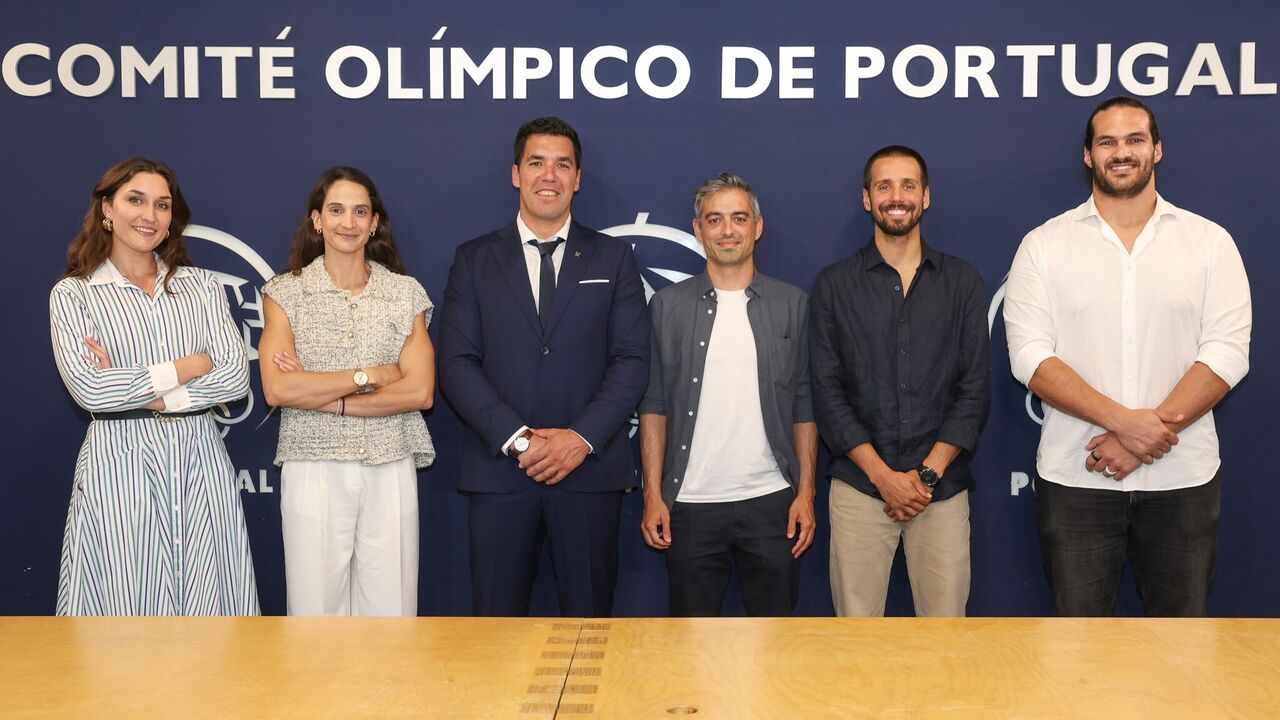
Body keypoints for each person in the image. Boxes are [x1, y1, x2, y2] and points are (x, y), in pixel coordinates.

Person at [1003, 97, 1251, 617]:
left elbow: (1227, 352)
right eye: (1107, 142)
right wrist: (1126, 424)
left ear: (1157, 150)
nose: (1122, 152)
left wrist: (1142, 437)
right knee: (1077, 649)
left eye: (1135, 139)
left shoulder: (1210, 243)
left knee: (1181, 648)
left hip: (1182, 481)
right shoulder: (1043, 245)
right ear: (1088, 155)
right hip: (1077, 480)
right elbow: (1030, 357)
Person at [438, 117, 649, 617]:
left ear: (578, 178)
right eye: (537, 163)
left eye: (562, 165)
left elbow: (632, 360)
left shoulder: (614, 257)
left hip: (589, 472)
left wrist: (579, 439)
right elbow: (456, 363)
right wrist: (520, 441)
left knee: (588, 633)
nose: (549, 176)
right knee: (496, 632)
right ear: (516, 174)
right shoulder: (474, 259)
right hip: (501, 474)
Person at [50, 156, 258, 615]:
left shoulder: (201, 286)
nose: (149, 215)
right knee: (123, 611)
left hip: (199, 464)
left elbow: (234, 378)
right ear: (107, 208)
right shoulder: (75, 294)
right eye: (135, 200)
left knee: (211, 612)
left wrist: (150, 395)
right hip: (119, 467)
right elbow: (91, 391)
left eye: (162, 205)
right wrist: (188, 365)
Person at [810, 146, 990, 617]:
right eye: (884, 186)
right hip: (859, 489)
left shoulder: (962, 282)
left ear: (925, 197)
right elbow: (827, 393)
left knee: (945, 636)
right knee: (857, 636)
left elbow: (974, 390)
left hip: (941, 491)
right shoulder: (834, 285)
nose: (896, 197)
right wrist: (883, 477)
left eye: (908, 186)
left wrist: (925, 475)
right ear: (866, 198)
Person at [259, 167, 435, 616]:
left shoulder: (405, 293)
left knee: (392, 613)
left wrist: (324, 396)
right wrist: (371, 375)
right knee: (315, 613)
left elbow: (419, 392)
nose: (348, 222)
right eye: (336, 210)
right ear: (317, 220)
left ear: (374, 222)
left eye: (360, 212)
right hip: (312, 464)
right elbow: (278, 388)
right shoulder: (285, 292)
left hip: (390, 462)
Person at [638, 173, 816, 616]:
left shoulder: (793, 304)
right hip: (690, 504)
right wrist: (653, 495)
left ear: (758, 226)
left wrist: (806, 493)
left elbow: (804, 404)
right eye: (714, 219)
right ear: (698, 230)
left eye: (739, 218)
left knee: (775, 642)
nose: (727, 230)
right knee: (691, 645)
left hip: (773, 501)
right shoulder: (667, 307)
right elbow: (654, 406)